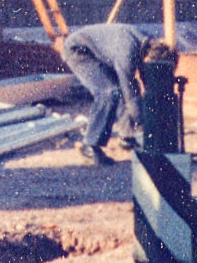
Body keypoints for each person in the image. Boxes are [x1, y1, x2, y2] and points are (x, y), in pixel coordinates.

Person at [60, 24, 175, 164]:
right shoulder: (127, 53)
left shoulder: (146, 43)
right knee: (109, 93)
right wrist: (143, 123)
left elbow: (144, 81)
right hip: (78, 51)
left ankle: (127, 137)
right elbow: (130, 94)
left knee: (120, 90)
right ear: (149, 60)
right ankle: (90, 145)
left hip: (98, 51)